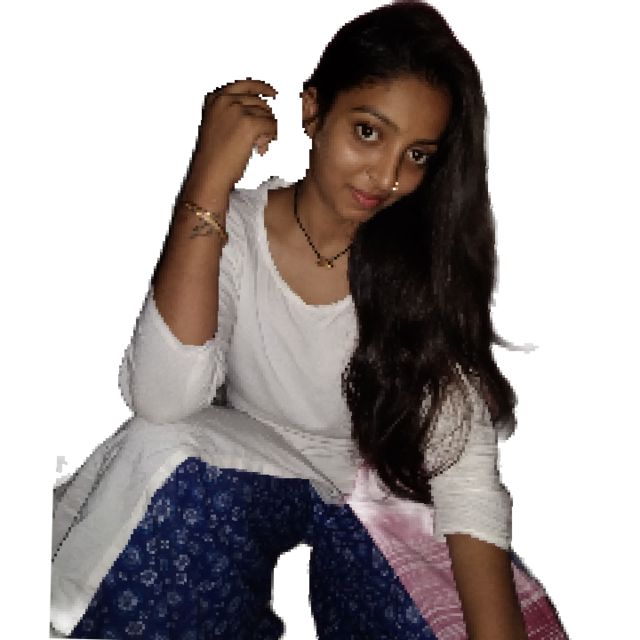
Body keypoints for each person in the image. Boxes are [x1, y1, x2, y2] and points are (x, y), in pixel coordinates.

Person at [49, 2, 568, 639]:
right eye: (368, 132)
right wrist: (208, 180)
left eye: (417, 154)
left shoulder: (419, 268)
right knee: (159, 452)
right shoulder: (235, 229)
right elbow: (162, 399)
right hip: (253, 468)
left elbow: (464, 473)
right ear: (313, 111)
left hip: (377, 492)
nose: (387, 177)